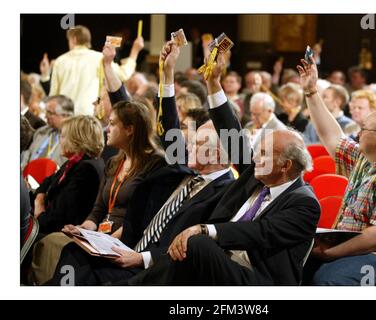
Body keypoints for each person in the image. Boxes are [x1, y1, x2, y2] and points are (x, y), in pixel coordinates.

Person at [47, 40, 235, 285]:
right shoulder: (188, 173)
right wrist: (166, 74)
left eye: (199, 145)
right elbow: (169, 128)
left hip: (156, 269)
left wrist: (140, 258)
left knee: (87, 275)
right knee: (72, 253)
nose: (188, 146)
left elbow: (195, 246)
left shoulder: (227, 192)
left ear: (220, 155)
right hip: (127, 246)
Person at [125, 51, 320, 286]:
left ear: (286, 165)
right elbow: (232, 134)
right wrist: (213, 82)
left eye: (265, 154)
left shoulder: (304, 202)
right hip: (217, 262)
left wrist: (206, 230)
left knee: (197, 243)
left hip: (256, 279)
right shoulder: (258, 176)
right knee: (190, 247)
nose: (256, 157)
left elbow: (260, 232)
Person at [297, 56, 376, 286]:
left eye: (363, 129)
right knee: (290, 263)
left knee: (326, 280)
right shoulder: (366, 157)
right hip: (346, 245)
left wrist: (333, 253)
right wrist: (311, 92)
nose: (357, 133)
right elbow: (332, 136)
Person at [30, 96, 166, 285]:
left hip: (126, 241)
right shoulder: (114, 163)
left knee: (79, 264)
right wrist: (82, 230)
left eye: (112, 124)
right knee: (72, 250)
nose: (107, 129)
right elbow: (98, 210)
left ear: (130, 129)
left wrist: (105, 239)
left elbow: (144, 217)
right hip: (101, 238)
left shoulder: (155, 164)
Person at [33, 115, 105, 235]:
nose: (60, 141)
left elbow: (59, 218)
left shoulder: (86, 170)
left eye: (62, 136)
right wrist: (39, 199)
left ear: (76, 139)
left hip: (58, 233)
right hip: (47, 224)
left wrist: (39, 211)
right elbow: (47, 182)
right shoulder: (74, 162)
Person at [49, 25, 144, 115]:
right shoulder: (98, 58)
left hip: (65, 115)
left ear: (74, 39)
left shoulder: (59, 61)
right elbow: (123, 74)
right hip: (89, 116)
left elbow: (53, 95)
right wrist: (135, 51)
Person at [21, 95, 74, 169]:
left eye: (50, 113)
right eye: (46, 112)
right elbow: (27, 154)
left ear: (65, 116)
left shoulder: (72, 140)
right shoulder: (41, 131)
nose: (45, 116)